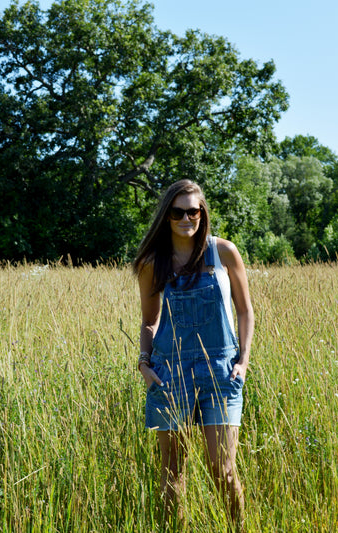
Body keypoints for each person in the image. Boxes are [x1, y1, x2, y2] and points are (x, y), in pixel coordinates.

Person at [133, 179, 254, 529]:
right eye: (178, 211)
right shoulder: (152, 263)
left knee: (223, 469)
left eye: (193, 210)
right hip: (170, 373)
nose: (187, 217)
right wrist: (144, 363)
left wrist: (243, 362)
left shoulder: (224, 252)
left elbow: (244, 310)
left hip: (221, 371)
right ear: (166, 216)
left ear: (203, 213)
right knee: (172, 476)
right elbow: (149, 321)